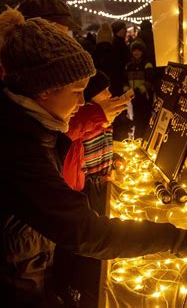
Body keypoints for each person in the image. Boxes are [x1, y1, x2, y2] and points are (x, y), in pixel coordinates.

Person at [0, 8, 187, 308]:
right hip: (14, 290)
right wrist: (172, 238)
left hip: (28, 271)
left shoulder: (27, 127)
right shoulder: (15, 148)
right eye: (77, 91)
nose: (82, 102)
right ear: (45, 91)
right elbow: (83, 231)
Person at [57, 71, 133, 307]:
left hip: (80, 189)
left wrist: (113, 159)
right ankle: (73, 289)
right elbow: (77, 137)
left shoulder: (92, 121)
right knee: (73, 250)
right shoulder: (71, 122)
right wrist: (99, 116)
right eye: (105, 92)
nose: (110, 95)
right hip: (73, 194)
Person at [125, 39, 155, 139]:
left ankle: (141, 138)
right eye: (134, 50)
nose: (136, 52)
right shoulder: (129, 65)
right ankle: (136, 138)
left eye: (139, 50)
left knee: (143, 119)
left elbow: (150, 81)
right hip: (132, 97)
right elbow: (124, 79)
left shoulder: (147, 65)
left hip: (143, 97)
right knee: (134, 118)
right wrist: (126, 89)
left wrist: (138, 90)